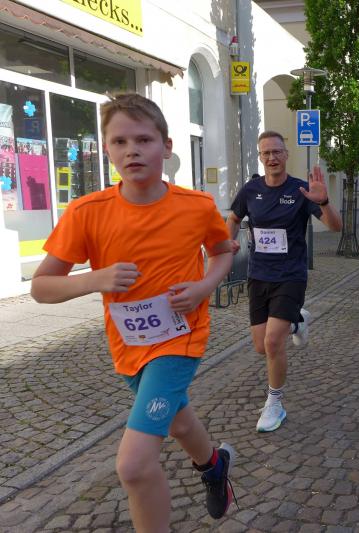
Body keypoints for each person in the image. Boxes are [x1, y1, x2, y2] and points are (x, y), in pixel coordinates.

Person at [31, 94, 236, 530]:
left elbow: (223, 252)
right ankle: (215, 466)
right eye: (120, 141)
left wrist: (203, 287)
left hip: (180, 339)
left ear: (167, 145)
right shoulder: (86, 212)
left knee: (134, 465)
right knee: (179, 422)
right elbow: (41, 288)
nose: (132, 151)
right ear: (106, 149)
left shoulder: (196, 206)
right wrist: (95, 279)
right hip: (128, 345)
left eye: (144, 139)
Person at [227, 131, 342, 433]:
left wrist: (325, 201)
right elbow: (234, 217)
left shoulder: (302, 190)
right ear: (260, 157)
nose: (272, 158)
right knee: (260, 346)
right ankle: (297, 322)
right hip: (258, 275)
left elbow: (335, 226)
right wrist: (228, 243)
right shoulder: (251, 190)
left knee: (272, 342)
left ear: (286, 154)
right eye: (266, 153)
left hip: (291, 276)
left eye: (277, 151)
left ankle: (274, 403)